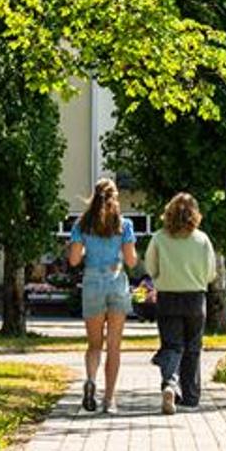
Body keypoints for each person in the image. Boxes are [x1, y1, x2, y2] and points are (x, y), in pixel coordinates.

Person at [67, 178, 137, 415]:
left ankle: (90, 380)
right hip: (116, 281)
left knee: (94, 344)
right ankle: (109, 400)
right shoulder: (124, 224)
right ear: (115, 197)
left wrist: (87, 249)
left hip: (92, 283)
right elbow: (131, 260)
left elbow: (74, 260)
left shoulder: (82, 225)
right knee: (114, 346)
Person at [145, 192, 218, 414]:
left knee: (172, 345)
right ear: (194, 214)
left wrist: (161, 279)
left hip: (168, 296)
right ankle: (191, 397)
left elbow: (150, 268)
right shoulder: (202, 239)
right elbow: (211, 273)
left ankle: (170, 384)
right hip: (195, 297)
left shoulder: (159, 238)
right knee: (193, 348)